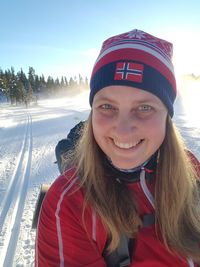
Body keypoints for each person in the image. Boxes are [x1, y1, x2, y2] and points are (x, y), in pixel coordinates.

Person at [35, 29, 200, 267]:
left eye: (144, 108)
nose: (123, 131)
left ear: (167, 116)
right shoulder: (69, 203)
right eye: (107, 106)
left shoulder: (192, 170)